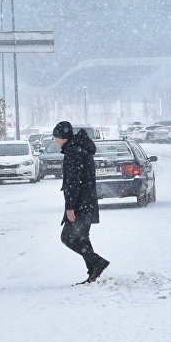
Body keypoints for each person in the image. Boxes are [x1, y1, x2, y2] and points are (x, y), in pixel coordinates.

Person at [53, 121, 110, 284]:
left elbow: (73, 182)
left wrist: (70, 207)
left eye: (56, 137)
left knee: (68, 237)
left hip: (81, 204)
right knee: (82, 238)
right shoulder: (79, 149)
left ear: (62, 137)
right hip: (87, 201)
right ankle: (93, 272)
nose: (55, 141)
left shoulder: (73, 152)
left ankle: (97, 262)